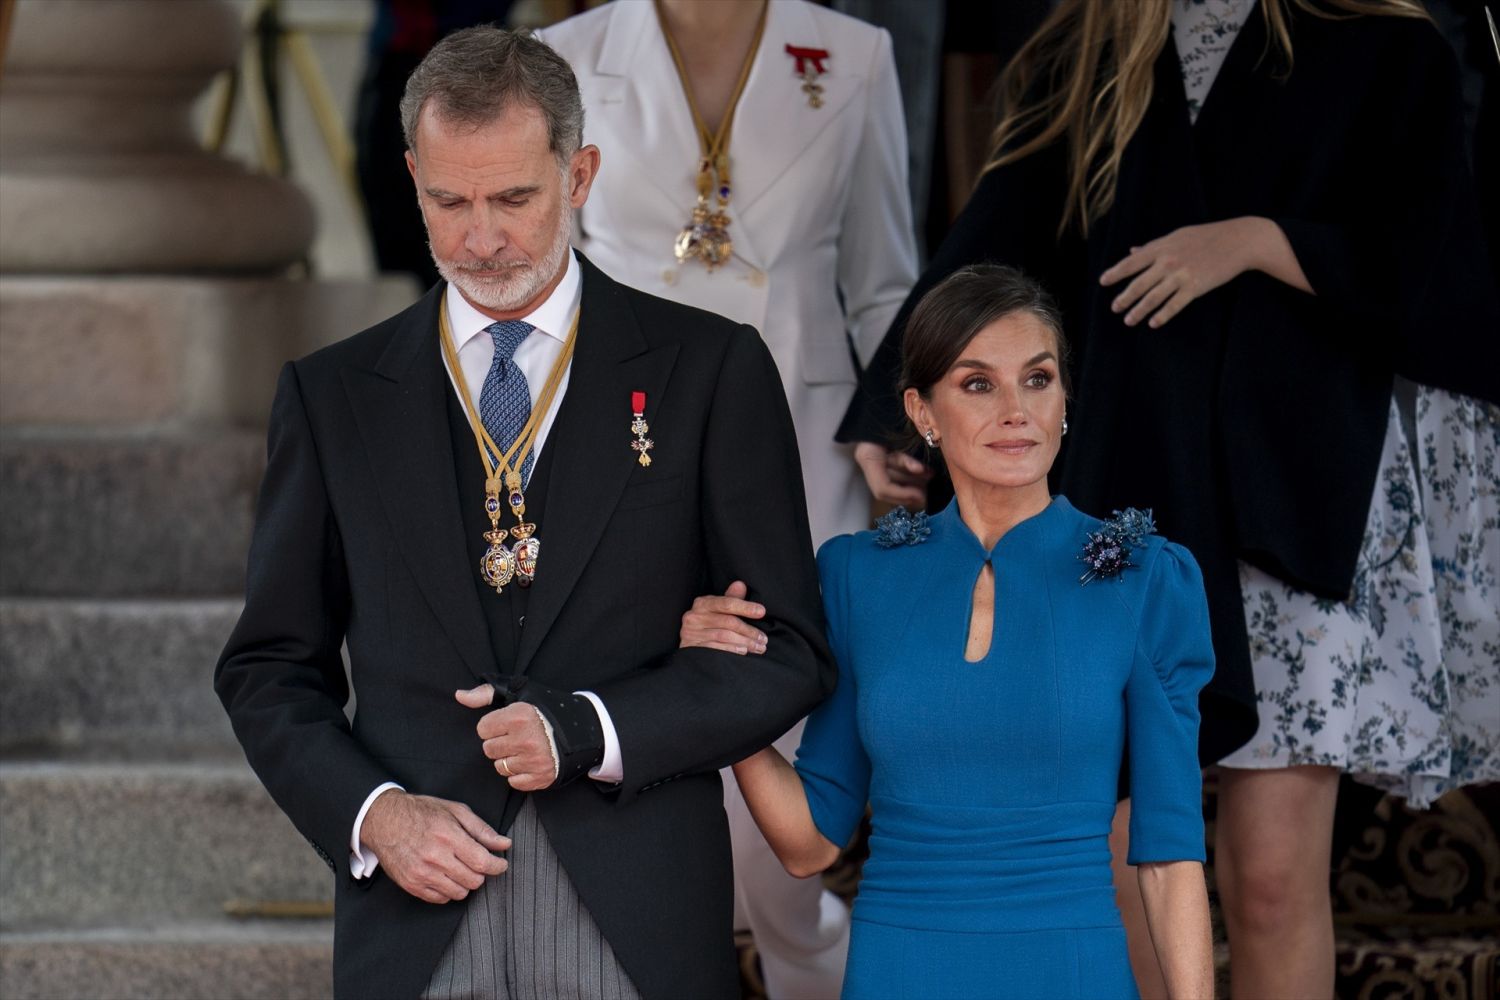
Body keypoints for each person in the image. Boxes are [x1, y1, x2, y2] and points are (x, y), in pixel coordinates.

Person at [836, 1, 1500, 995]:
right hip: (1123, 493)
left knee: (1270, 881)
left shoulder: (1384, 44)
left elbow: (1433, 263)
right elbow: (1000, 245)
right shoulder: (1085, 43)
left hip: (1296, 497)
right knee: (1117, 866)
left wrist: (1255, 241)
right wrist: (902, 408)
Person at [215, 26, 834, 1000]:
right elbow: (267, 667)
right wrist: (374, 815)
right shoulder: (330, 395)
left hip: (639, 912)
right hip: (417, 915)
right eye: (447, 201)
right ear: (411, 175)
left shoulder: (708, 370)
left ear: (579, 174)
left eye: (514, 197)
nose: (480, 238)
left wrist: (590, 728)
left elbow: (791, 651)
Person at [686, 264, 1216, 1000]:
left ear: (1065, 401)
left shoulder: (1146, 579)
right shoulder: (854, 577)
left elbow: (1168, 858)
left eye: (1038, 379)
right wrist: (728, 688)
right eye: (977, 384)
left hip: (1071, 972)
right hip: (899, 971)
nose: (1016, 409)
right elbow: (807, 843)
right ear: (922, 411)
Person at [538, 2, 917, 994]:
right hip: (618, 468)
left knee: (775, 812)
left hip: (801, 462)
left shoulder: (854, 53)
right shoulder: (561, 59)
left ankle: (813, 964)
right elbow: (536, 281)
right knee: (628, 785)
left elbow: (884, 286)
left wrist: (894, 423)